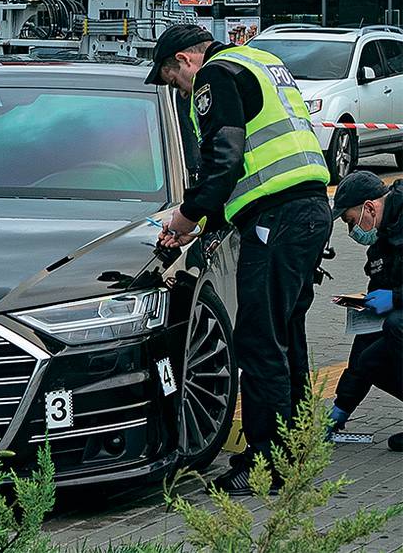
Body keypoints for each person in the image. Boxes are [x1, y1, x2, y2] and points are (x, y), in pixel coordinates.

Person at [145, 24, 332, 495]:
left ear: (186, 61)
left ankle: (265, 463)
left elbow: (223, 158)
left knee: (258, 340)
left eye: (173, 81)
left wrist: (186, 218)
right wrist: (212, 220)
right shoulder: (262, 62)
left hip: (279, 217)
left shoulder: (215, 74)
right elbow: (253, 162)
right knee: (285, 332)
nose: (178, 90)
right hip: (306, 210)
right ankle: (293, 449)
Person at [327, 171, 402, 452]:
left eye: (349, 220)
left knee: (397, 324)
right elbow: (368, 330)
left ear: (369, 208)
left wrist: (395, 297)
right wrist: (341, 407)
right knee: (371, 359)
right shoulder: (383, 244)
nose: (352, 232)